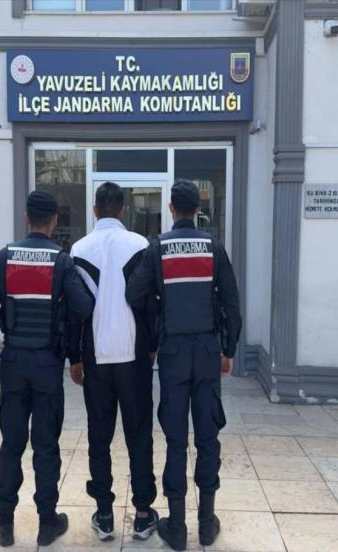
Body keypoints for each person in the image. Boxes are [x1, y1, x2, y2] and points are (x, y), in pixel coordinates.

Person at [125, 179, 242, 551]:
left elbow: (134, 293)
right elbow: (232, 304)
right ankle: (206, 524)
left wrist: (157, 320)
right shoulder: (214, 248)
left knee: (176, 440)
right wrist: (228, 349)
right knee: (207, 437)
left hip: (173, 352)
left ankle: (176, 527)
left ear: (172, 209)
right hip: (207, 351)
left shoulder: (158, 248)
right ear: (198, 209)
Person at [0, 190, 94, 548]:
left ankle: (6, 522)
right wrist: (72, 349)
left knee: (12, 443)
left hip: (13, 361)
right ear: (55, 220)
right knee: (45, 445)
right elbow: (83, 307)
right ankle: (47, 522)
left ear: (27, 217)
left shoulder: (4, 257)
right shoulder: (62, 261)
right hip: (47, 364)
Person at [67, 182, 159, 542]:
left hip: (96, 356)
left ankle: (104, 513)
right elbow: (149, 302)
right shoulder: (140, 245)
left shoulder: (78, 249)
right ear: (122, 209)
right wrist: (151, 346)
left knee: (99, 435)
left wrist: (75, 357)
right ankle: (142, 513)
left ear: (95, 209)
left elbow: (74, 311)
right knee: (139, 435)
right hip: (134, 355)